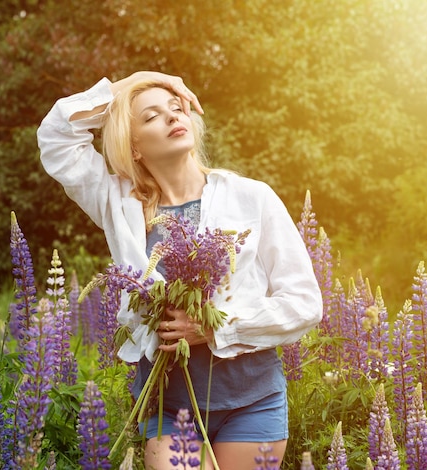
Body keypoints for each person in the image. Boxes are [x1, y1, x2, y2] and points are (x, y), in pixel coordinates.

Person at [37, 71, 323, 469]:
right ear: (133, 146)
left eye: (176, 108)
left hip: (252, 399)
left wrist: (216, 328)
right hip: (166, 405)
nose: (172, 118)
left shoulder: (251, 197)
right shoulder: (119, 202)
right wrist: (138, 79)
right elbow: (57, 133)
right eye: (151, 116)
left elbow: (305, 303)